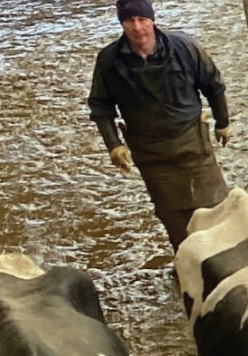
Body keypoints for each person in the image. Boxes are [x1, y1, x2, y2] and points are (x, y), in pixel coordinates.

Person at [88, 0, 231, 251]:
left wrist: (223, 123)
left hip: (192, 144)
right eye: (129, 20)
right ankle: (187, 267)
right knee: (173, 218)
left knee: (216, 209)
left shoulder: (184, 47)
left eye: (142, 19)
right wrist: (114, 145)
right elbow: (101, 107)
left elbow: (213, 85)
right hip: (150, 152)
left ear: (152, 20)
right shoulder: (109, 61)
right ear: (121, 23)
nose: (137, 27)